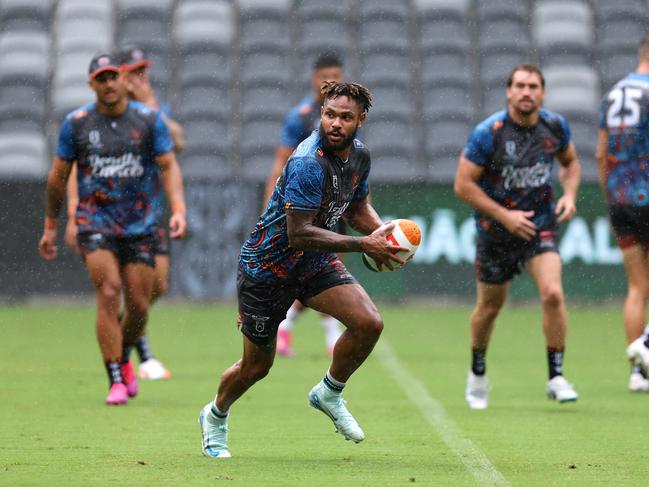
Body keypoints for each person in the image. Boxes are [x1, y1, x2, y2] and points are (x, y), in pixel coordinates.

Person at [198, 81, 408, 458]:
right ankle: (215, 416)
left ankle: (329, 392)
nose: (336, 123)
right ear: (320, 115)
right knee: (255, 367)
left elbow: (357, 209)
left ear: (360, 120)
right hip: (267, 267)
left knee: (369, 323)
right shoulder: (308, 162)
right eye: (330, 115)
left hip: (311, 262)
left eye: (346, 117)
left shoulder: (359, 156)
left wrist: (383, 235)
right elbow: (299, 233)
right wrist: (365, 244)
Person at [38, 53, 186, 405]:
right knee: (108, 292)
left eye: (112, 77)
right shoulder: (76, 124)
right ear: (92, 84)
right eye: (100, 79)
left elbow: (169, 164)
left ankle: (123, 356)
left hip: (141, 223)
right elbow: (59, 177)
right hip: (96, 221)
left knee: (138, 304)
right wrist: (52, 224)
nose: (107, 84)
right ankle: (115, 379)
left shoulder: (148, 119)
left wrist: (178, 208)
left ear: (122, 80)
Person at [454, 64, 581, 410]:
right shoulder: (489, 133)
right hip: (495, 231)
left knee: (553, 293)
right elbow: (463, 184)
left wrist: (569, 195)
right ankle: (478, 371)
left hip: (539, 226)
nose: (527, 92)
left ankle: (556, 376)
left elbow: (570, 163)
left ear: (543, 92)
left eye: (534, 86)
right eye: (520, 86)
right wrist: (505, 216)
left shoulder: (554, 126)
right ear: (509, 91)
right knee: (490, 308)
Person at [263, 52, 346, 358]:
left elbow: (353, 166)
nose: (332, 81)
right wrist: (269, 209)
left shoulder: (345, 115)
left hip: (334, 203)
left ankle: (284, 327)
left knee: (318, 270)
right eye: (327, 76)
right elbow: (280, 163)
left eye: (337, 75)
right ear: (314, 79)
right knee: (322, 268)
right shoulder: (300, 117)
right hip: (303, 205)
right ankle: (328, 335)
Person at [600, 34, 649, 391]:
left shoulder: (615, 92)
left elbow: (602, 153)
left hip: (620, 195)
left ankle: (637, 372)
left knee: (636, 286)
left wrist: (610, 195)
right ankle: (645, 347)